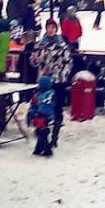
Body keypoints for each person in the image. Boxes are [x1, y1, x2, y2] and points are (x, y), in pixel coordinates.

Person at [32, 20, 73, 150]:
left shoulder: (62, 45)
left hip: (58, 80)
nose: (50, 30)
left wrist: (63, 73)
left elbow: (68, 61)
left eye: (53, 27)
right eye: (48, 27)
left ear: (56, 29)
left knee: (57, 108)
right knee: (42, 108)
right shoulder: (41, 44)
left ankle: (54, 137)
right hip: (44, 81)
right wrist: (35, 61)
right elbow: (34, 61)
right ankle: (42, 137)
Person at [27, 74, 56, 157]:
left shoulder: (41, 95)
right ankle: (38, 149)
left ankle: (47, 149)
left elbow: (36, 105)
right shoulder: (51, 93)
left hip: (42, 116)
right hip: (46, 116)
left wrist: (34, 113)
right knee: (41, 132)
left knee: (40, 132)